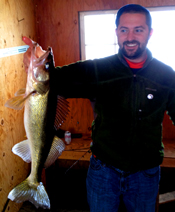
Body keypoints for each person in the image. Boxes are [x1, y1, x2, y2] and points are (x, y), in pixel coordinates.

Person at [23, 4, 175, 212]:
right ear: (116, 33)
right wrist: (33, 62)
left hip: (145, 174)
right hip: (103, 171)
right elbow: (54, 80)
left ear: (150, 32)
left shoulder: (167, 75)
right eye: (124, 30)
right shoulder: (98, 70)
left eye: (138, 30)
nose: (130, 37)